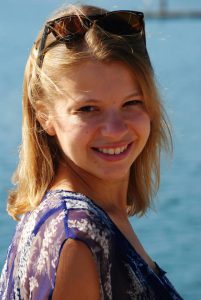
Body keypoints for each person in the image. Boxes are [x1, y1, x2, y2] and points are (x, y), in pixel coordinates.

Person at [0, 4, 183, 300]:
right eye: (88, 109)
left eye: (131, 103)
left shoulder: (66, 217)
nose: (114, 129)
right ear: (44, 115)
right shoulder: (78, 237)